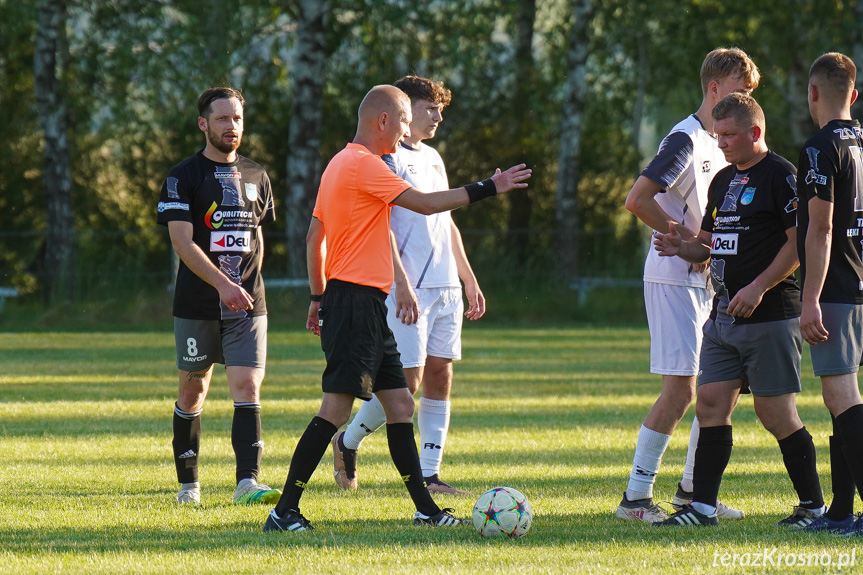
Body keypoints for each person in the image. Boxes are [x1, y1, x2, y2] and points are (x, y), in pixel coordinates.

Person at [263, 85, 531, 532]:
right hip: (354, 303)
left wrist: (316, 297)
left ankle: (426, 510)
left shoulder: (337, 164)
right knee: (334, 410)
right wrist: (490, 187)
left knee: (402, 405)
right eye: (404, 120)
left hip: (362, 302)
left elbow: (315, 237)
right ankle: (283, 510)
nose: (407, 130)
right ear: (383, 121)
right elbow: (425, 205)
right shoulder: (365, 165)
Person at [650, 93, 825, 527]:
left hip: (771, 315)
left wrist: (760, 286)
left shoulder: (782, 176)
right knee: (709, 403)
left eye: (729, 135)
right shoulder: (723, 180)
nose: (722, 142)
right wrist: (682, 247)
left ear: (755, 133)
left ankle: (813, 505)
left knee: (775, 414)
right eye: (717, 134)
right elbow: (710, 242)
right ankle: (702, 507)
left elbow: (798, 244)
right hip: (723, 314)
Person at [618, 47, 759, 522]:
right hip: (673, 280)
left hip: (703, 281)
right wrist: (683, 238)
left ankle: (695, 490)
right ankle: (635, 500)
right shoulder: (685, 139)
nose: (746, 100)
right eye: (741, 90)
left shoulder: (717, 141)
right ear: (715, 87)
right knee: (680, 390)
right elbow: (638, 199)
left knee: (720, 386)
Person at [330, 76, 479, 496]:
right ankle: (347, 440)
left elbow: (445, 219)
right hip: (408, 287)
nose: (436, 117)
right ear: (402, 111)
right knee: (406, 381)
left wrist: (467, 276)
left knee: (440, 375)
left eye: (440, 110)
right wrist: (400, 281)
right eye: (428, 108)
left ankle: (431, 474)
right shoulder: (387, 159)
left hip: (445, 284)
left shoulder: (433, 157)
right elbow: (384, 226)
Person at [157, 87, 281, 506]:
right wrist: (223, 285)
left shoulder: (257, 175)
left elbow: (257, 237)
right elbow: (183, 242)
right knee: (194, 389)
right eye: (223, 119)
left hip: (248, 305)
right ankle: (188, 486)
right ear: (203, 123)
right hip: (199, 304)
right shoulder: (182, 176)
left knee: (246, 386)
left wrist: (249, 288)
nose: (232, 127)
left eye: (238, 119)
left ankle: (247, 482)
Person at [795, 52, 863, 535]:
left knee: (842, 399)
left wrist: (810, 298)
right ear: (853, 95)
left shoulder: (820, 147)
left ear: (813, 93)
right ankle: (840, 511)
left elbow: (820, 230)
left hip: (838, 287)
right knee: (846, 401)